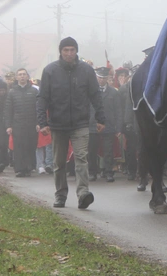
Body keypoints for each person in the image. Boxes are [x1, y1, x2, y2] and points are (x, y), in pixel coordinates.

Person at [37, 37, 105, 209]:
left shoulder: (86, 70)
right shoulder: (50, 71)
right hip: (58, 124)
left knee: (82, 157)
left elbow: (95, 95)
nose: (69, 53)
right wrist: (42, 121)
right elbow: (42, 98)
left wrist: (101, 117)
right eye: (65, 50)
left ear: (76, 51)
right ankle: (60, 194)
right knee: (59, 162)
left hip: (81, 123)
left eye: (72, 50)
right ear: (60, 51)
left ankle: (83, 193)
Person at [89, 66, 122, 182]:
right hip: (92, 125)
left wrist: (118, 127)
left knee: (108, 151)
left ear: (107, 78)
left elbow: (118, 110)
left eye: (103, 78)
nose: (101, 80)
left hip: (108, 125)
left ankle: (109, 172)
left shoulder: (113, 92)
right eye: (99, 77)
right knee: (92, 151)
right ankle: (92, 172)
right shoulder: (91, 91)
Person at [7, 68, 39, 177]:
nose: (22, 76)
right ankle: (20, 169)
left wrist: (39, 123)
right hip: (17, 124)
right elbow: (9, 110)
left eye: (24, 74)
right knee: (19, 146)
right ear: (16, 77)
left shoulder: (34, 91)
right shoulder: (12, 92)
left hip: (31, 124)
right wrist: (9, 126)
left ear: (27, 76)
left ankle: (29, 167)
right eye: (20, 74)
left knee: (30, 145)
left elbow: (38, 108)